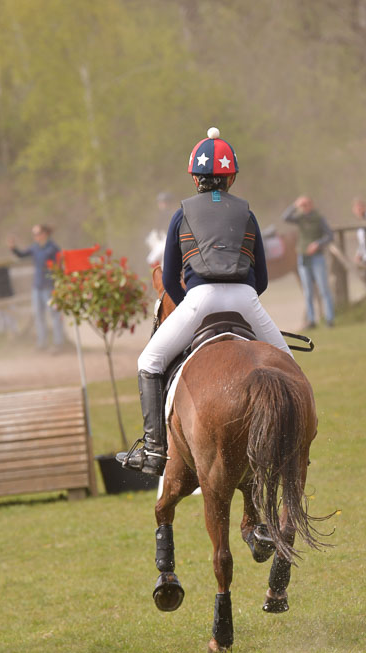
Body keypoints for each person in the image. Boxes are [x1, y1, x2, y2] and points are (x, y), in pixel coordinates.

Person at [117, 127, 292, 476]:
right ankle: (294, 443)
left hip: (198, 299)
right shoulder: (247, 213)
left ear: (196, 177)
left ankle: (153, 451)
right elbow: (263, 280)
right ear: (231, 178)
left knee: (150, 361)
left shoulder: (181, 214)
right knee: (288, 367)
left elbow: (167, 278)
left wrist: (189, 308)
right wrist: (241, 303)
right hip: (245, 298)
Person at [8, 224, 65, 351]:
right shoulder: (35, 247)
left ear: (45, 233)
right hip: (37, 286)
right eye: (34, 234)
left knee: (54, 315)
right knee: (39, 316)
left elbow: (60, 266)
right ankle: (42, 344)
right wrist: (13, 248)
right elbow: (21, 255)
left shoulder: (53, 248)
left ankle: (58, 343)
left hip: (50, 287)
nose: (35, 236)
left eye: (37, 233)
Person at [282, 196, 335, 328]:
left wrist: (318, 244)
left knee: (323, 289)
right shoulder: (299, 217)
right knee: (308, 291)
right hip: (303, 257)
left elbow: (330, 235)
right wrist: (294, 205)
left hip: (317, 258)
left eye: (307, 204)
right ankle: (311, 320)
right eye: (303, 205)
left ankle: (329, 319)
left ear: (312, 205)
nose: (305, 207)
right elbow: (285, 217)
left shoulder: (319, 218)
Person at [145, 192, 175, 269]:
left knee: (152, 259)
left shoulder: (171, 214)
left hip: (168, 239)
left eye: (163, 202)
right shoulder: (160, 214)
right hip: (162, 238)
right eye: (160, 202)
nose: (161, 204)